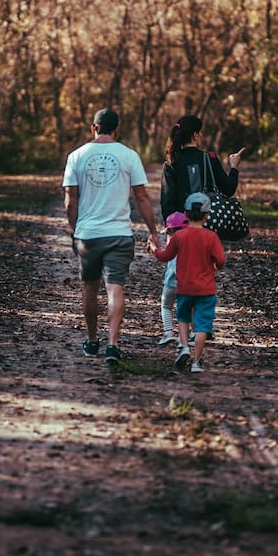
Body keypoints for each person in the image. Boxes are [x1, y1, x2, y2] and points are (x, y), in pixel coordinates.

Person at [62, 108, 160, 366]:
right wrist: (153, 231)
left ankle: (92, 340)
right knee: (115, 288)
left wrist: (74, 230)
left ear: (93, 128)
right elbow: (141, 197)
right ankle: (112, 345)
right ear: (116, 129)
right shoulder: (129, 156)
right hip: (119, 233)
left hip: (88, 235)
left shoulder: (76, 156)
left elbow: (71, 201)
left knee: (90, 287)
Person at [152, 192, 226, 373]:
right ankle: (196, 362)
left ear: (186, 213)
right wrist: (214, 266)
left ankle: (184, 347)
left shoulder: (179, 236)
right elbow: (221, 261)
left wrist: (154, 248)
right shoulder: (211, 237)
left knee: (183, 318)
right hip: (206, 289)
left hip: (184, 287)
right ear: (207, 215)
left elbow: (165, 256)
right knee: (201, 326)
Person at [159, 115, 245, 223]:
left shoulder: (171, 163)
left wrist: (172, 226)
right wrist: (234, 167)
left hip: (182, 227)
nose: (201, 135)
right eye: (200, 132)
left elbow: (167, 202)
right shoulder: (210, 158)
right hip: (208, 223)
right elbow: (228, 189)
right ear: (195, 135)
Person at [156, 211, 189, 346]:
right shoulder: (191, 244)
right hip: (186, 285)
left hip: (170, 283)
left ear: (170, 231)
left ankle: (168, 332)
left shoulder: (172, 245)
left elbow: (164, 256)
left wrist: (154, 247)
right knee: (186, 310)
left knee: (166, 306)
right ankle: (189, 335)